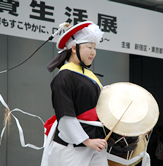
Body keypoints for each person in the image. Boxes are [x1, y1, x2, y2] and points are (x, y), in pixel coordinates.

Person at [40, 21, 108, 166]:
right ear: (74, 48)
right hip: (72, 147)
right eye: (89, 47)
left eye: (95, 48)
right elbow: (65, 115)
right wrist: (86, 140)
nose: (93, 52)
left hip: (96, 144)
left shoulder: (91, 76)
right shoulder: (64, 76)